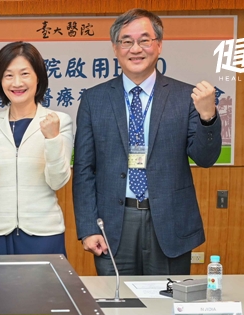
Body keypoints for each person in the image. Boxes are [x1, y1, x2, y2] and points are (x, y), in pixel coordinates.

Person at [73, 9, 222, 276]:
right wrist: (88, 227)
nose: (135, 49)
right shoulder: (94, 100)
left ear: (159, 45)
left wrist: (208, 117)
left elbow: (206, 158)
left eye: (144, 40)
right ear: (115, 48)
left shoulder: (185, 97)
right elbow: (84, 169)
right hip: (113, 226)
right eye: (126, 41)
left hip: (169, 223)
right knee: (117, 300)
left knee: (166, 300)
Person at [0, 41, 73, 257]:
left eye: (25, 74)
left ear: (38, 77)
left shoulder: (59, 121)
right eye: (8, 75)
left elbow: (58, 181)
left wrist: (52, 138)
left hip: (44, 234)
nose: (17, 83)